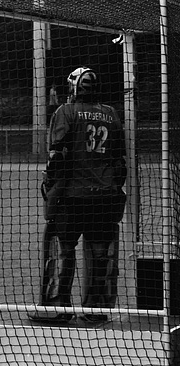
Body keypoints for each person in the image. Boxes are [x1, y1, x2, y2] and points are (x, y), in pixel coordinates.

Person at [28, 67, 127, 323]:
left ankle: (57, 306)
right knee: (100, 252)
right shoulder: (111, 114)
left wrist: (49, 186)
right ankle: (96, 309)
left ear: (73, 87)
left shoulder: (66, 111)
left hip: (72, 198)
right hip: (105, 198)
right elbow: (120, 162)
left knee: (62, 249)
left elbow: (57, 156)